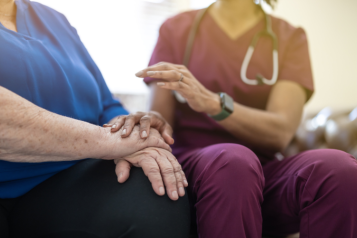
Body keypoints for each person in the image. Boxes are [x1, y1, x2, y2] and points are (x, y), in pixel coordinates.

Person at [132, 0, 357, 237]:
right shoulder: (176, 29)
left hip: (264, 174)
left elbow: (279, 133)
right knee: (234, 162)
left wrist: (214, 104)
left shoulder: (289, 37)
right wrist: (147, 121)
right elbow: (160, 117)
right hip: (193, 171)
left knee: (341, 171)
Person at [0, 0, 190, 237]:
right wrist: (115, 144)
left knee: (153, 192)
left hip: (64, 181)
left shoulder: (55, 21)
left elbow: (105, 103)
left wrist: (136, 129)